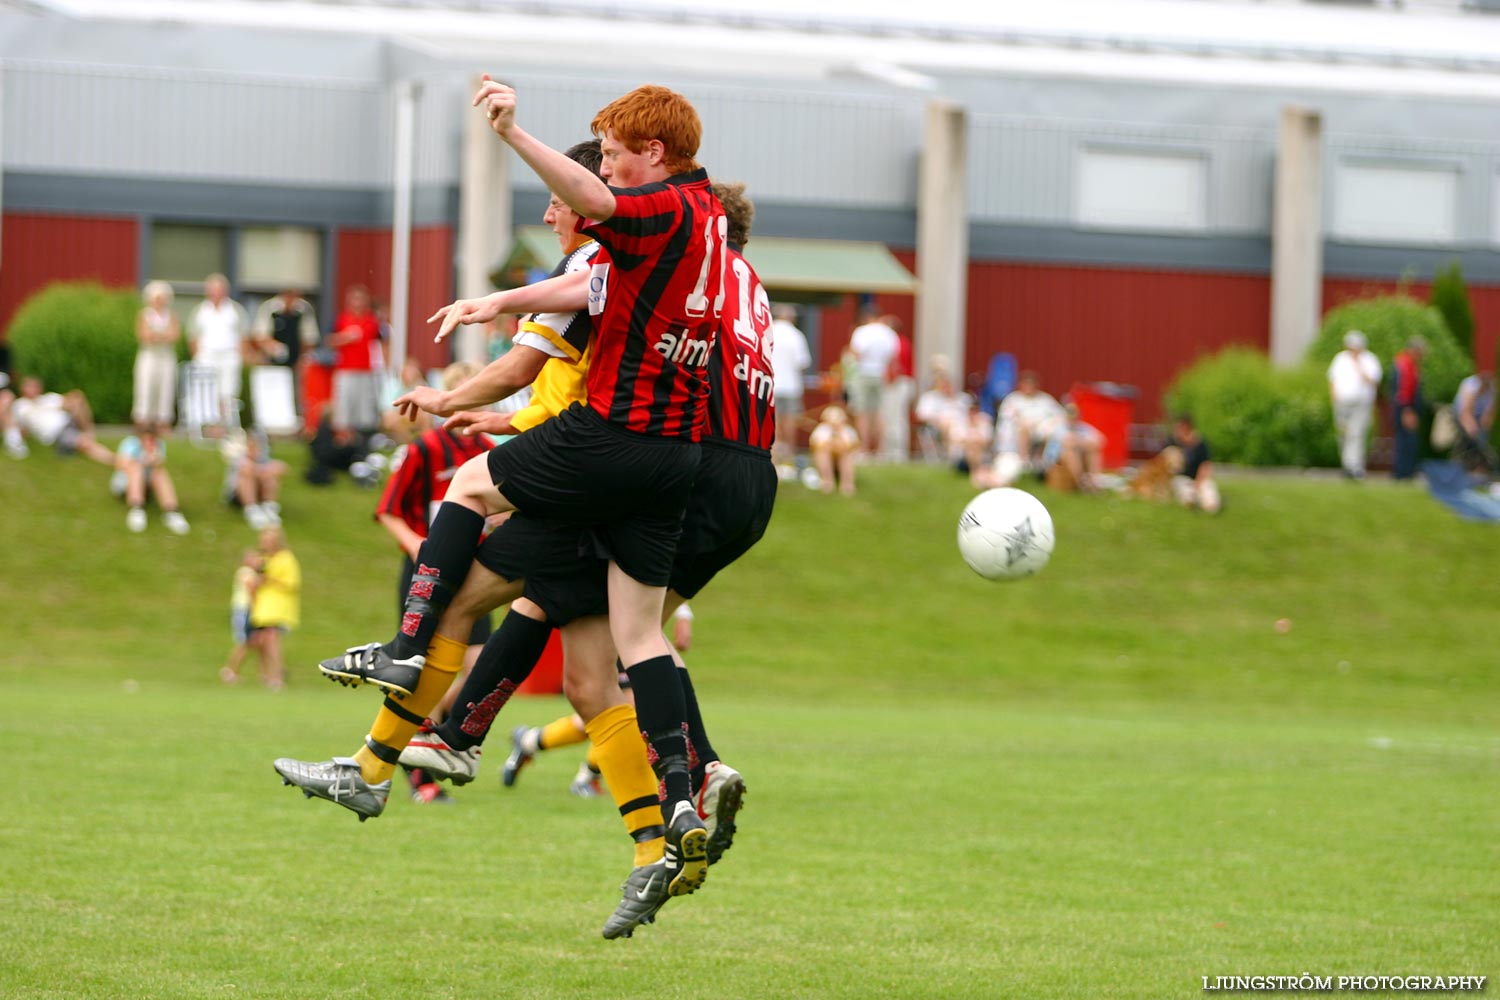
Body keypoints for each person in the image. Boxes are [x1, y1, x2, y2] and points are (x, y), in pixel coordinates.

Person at [373, 361, 497, 803]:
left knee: (481, 667)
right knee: (419, 670)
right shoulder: (425, 449)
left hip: (477, 576)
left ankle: (429, 741)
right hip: (427, 574)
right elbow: (388, 509)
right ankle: (415, 773)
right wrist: (417, 544)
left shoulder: (490, 449)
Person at [0, 376, 117, 465]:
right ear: (22, 388)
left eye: (35, 386)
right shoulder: (20, 406)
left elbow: (73, 400)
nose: (32, 389)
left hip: (70, 421)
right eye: (29, 386)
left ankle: (89, 433)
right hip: (58, 432)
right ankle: (115, 461)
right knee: (86, 444)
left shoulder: (49, 398)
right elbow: (15, 426)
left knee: (78, 396)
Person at [188, 274, 250, 425]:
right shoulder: (200, 310)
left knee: (228, 391)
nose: (216, 293)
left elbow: (244, 335)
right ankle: (207, 424)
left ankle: (227, 424)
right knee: (206, 392)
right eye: (213, 290)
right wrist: (197, 355)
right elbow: (192, 337)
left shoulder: (235, 309)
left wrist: (241, 355)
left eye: (219, 290)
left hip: (229, 356)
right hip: (207, 356)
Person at [1327, 330, 1382, 480]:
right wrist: (1334, 397)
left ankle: (1355, 466)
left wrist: (1359, 365)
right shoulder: (1340, 359)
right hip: (1342, 402)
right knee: (1344, 434)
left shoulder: (1369, 360)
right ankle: (1347, 465)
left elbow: (1373, 380)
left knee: (1357, 433)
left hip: (1361, 403)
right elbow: (1332, 379)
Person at [249, 527, 299, 691]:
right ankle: (265, 674)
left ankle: (277, 676)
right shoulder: (263, 559)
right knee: (260, 641)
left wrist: (269, 578)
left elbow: (292, 583)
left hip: (279, 605)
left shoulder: (286, 559)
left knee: (272, 640)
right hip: (262, 606)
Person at [329, 285, 382, 437]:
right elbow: (330, 341)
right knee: (345, 406)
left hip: (365, 370)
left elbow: (380, 344)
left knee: (364, 407)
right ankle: (344, 439)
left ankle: (363, 439)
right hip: (345, 369)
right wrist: (345, 337)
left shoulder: (371, 321)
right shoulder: (342, 319)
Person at [116, 426, 190, 535]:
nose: (150, 442)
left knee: (158, 471)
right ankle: (136, 508)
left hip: (147, 483)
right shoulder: (130, 443)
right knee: (137, 468)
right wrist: (142, 461)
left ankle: (171, 511)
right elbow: (121, 464)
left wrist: (153, 459)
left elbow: (160, 463)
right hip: (124, 481)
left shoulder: (159, 445)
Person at [847, 305, 899, 457]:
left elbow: (855, 353)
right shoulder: (889, 333)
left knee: (862, 412)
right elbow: (893, 357)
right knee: (878, 412)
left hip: (863, 372)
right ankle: (880, 449)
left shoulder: (862, 332)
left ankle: (864, 448)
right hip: (881, 373)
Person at [133, 280, 180, 429]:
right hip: (148, 355)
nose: (159, 301)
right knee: (145, 386)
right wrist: (162, 335)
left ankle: (163, 421)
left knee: (166, 387)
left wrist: (156, 335)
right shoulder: (144, 315)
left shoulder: (171, 315)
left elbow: (174, 335)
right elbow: (144, 335)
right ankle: (143, 420)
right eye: (156, 297)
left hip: (166, 356)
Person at [769, 303, 810, 473]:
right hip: (791, 386)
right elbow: (802, 363)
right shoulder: (796, 335)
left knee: (773, 422)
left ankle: (774, 456)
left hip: (771, 385)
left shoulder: (768, 330)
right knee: (790, 421)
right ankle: (789, 456)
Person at [996, 370, 1065, 471]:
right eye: (1026, 384)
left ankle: (1045, 463)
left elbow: (1060, 415)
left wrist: (1048, 423)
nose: (1028, 387)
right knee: (1024, 428)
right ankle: (1024, 460)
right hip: (1016, 432)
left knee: (1051, 433)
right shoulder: (1013, 399)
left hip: (1041, 429)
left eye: (1031, 384)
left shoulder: (1045, 399)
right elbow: (1006, 418)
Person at [227, 428, 290, 529]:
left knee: (270, 476)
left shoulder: (263, 459)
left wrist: (263, 472)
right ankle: (252, 510)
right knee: (248, 475)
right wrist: (261, 472)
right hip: (237, 496)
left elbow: (282, 468)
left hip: (259, 491)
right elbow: (246, 469)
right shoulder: (240, 458)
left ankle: (269, 508)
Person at [1040, 401, 1104, 493]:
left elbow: (1099, 440)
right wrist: (1082, 442)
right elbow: (1067, 442)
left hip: (1078, 455)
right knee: (1070, 450)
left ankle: (1094, 480)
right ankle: (1081, 483)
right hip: (1054, 460)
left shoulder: (1082, 428)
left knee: (1092, 449)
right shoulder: (1058, 427)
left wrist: (1081, 442)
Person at [221, 549, 263, 684]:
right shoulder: (246, 571)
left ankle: (261, 672)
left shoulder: (249, 573)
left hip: (246, 610)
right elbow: (251, 588)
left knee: (254, 642)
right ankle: (229, 670)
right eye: (255, 558)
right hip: (244, 610)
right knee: (244, 642)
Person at [913, 369, 972, 464]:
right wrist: (937, 419)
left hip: (965, 426)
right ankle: (954, 458)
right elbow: (921, 415)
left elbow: (972, 414)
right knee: (949, 425)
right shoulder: (930, 398)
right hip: (937, 429)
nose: (947, 387)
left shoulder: (963, 398)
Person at [1166, 414, 1220, 514]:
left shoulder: (1200, 444)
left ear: (1187, 427)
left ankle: (1210, 507)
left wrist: (1198, 482)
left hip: (1198, 477)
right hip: (1181, 478)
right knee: (1182, 487)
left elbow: (1205, 465)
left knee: (1208, 487)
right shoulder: (1173, 442)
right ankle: (1192, 501)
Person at [879, 315, 914, 462]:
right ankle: (893, 451)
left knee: (894, 417)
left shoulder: (896, 343)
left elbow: (896, 367)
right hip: (902, 383)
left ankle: (897, 452)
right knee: (895, 417)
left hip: (897, 384)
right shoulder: (902, 342)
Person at [1391, 336, 1426, 481]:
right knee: (1406, 440)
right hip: (1405, 408)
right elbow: (1404, 390)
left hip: (1406, 407)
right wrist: (1408, 410)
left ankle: (1405, 471)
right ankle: (1403, 472)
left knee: (1406, 439)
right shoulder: (1405, 364)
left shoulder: (1407, 363)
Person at [1451, 370, 1496, 477]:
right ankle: (1462, 467)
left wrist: (1485, 427)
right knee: (1469, 439)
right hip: (1462, 415)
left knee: (1482, 439)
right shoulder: (1470, 385)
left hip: (1478, 417)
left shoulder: (1493, 387)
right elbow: (1465, 412)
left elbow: (1489, 413)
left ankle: (1481, 468)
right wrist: (1471, 427)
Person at [809, 404, 859, 496]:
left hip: (841, 460)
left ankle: (847, 483)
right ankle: (827, 480)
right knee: (822, 453)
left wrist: (839, 434)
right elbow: (817, 445)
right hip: (826, 460)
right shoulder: (821, 430)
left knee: (846, 455)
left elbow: (850, 446)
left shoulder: (848, 431)